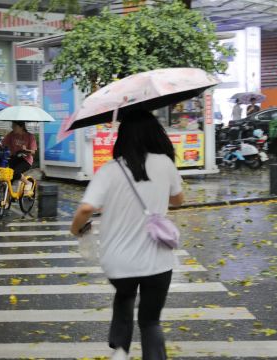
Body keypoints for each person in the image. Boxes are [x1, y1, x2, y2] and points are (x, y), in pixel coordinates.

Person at [70, 109, 184, 360]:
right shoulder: (165, 163)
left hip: (119, 262)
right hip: (158, 262)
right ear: (155, 134)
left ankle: (121, 349)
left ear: (122, 137)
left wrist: (76, 228)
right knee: (151, 321)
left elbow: (87, 208)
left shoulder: (109, 171)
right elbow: (178, 200)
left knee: (124, 295)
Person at [0, 121, 37, 194]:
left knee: (16, 173)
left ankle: (28, 183)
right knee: (8, 177)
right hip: (14, 158)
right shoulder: (11, 134)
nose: (12, 127)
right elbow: (3, 143)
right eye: (12, 126)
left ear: (21, 127)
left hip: (26, 160)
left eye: (14, 126)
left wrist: (26, 150)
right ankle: (7, 199)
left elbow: (33, 152)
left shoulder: (30, 137)